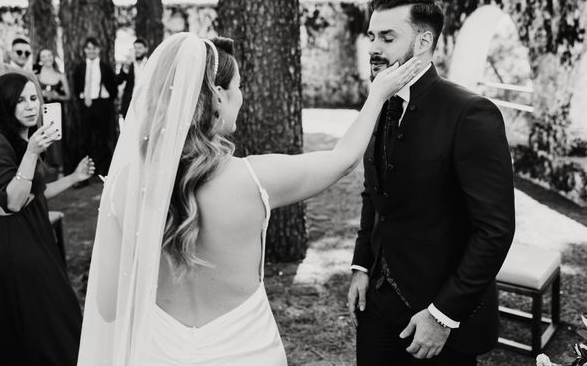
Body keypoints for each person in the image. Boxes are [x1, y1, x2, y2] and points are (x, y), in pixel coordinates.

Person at [77, 32, 420, 366]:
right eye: (238, 87)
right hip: (245, 350)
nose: (241, 96)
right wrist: (377, 96)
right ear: (217, 96)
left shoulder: (123, 185)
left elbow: (107, 306)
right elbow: (343, 160)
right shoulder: (252, 179)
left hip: (158, 352)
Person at [347, 0, 516, 366]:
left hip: (438, 320)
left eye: (388, 38)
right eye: (372, 36)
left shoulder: (471, 114)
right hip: (376, 307)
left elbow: (495, 230)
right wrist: (361, 266)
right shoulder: (380, 100)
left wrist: (442, 315)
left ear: (423, 41)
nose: (374, 48)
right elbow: (373, 193)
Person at [0, 73, 95, 365]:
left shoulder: (23, 139)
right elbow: (11, 201)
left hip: (36, 239)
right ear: (3, 105)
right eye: (20, 101)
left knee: (53, 320)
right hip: (16, 247)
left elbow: (37, 193)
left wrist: (75, 177)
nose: (30, 106)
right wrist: (33, 152)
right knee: (52, 324)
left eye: (33, 98)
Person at [72, 36, 118, 176]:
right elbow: (76, 86)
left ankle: (105, 171)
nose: (91, 51)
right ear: (85, 50)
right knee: (84, 139)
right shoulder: (80, 67)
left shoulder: (105, 67)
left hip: (102, 105)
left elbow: (113, 88)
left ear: (99, 49)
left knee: (105, 138)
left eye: (94, 48)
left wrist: (107, 102)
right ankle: (84, 173)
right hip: (85, 105)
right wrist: (82, 100)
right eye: (89, 48)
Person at [35, 48, 71, 175]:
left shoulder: (60, 76)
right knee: (43, 138)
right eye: (43, 56)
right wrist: (41, 94)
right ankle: (45, 169)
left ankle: (60, 170)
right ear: (40, 59)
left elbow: (68, 96)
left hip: (56, 112)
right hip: (41, 113)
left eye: (49, 55)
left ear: (53, 57)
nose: (47, 58)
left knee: (58, 140)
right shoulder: (36, 76)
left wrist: (57, 96)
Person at [117, 36, 150, 118]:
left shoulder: (151, 64)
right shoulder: (129, 64)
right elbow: (118, 81)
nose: (137, 50)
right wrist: (126, 67)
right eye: (135, 48)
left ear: (146, 49)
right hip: (130, 103)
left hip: (146, 103)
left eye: (140, 48)